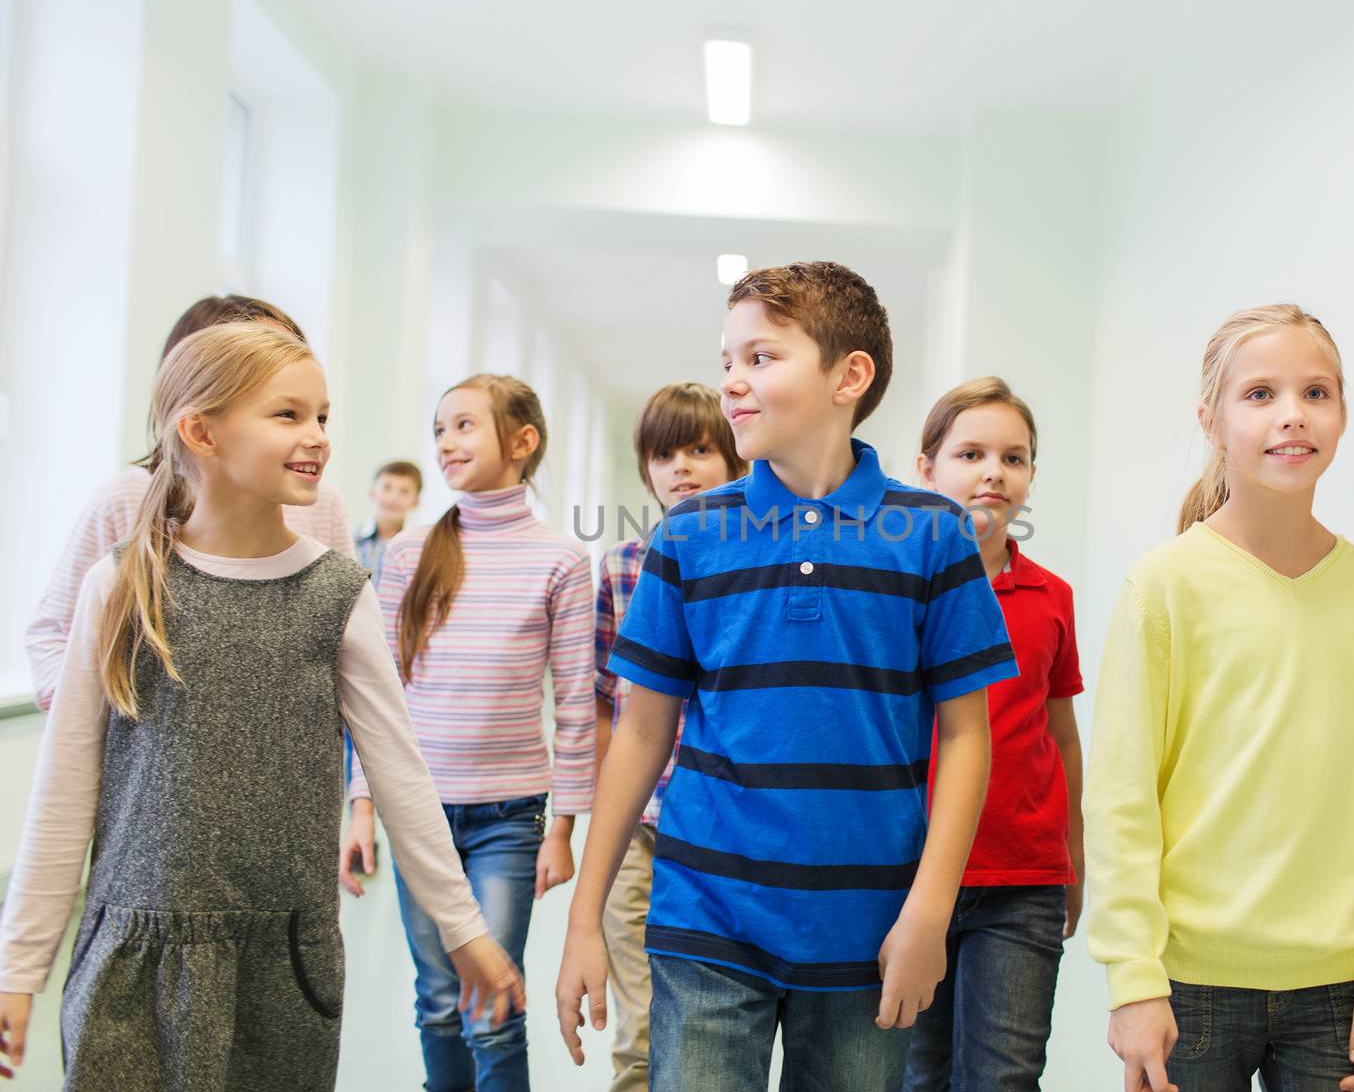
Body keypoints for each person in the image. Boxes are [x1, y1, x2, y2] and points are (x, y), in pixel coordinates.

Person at [0, 324, 523, 1090]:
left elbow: (401, 777)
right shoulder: (119, 586)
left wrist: (463, 925)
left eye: (322, 417)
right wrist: (20, 966)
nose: (317, 437)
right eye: (288, 415)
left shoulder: (336, 593)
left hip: (282, 967)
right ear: (201, 430)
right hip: (132, 960)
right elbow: (64, 788)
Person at [557, 261, 1016, 1091]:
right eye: (728, 359)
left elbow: (965, 734)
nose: (732, 381)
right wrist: (583, 917)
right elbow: (641, 734)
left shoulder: (933, 534)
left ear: (849, 375)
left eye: (761, 358)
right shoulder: (690, 535)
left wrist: (929, 910)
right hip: (706, 916)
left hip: (868, 926)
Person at [1085, 304, 1354, 1092]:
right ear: (1210, 418)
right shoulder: (1165, 584)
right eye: (1260, 394)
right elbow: (1121, 798)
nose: (1293, 415)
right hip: (1188, 989)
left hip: (1341, 994)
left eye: (1316, 392)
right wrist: (1133, 977)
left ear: (1346, 417)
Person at [341, 373, 595, 1092]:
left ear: (522, 442)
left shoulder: (560, 561)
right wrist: (361, 804)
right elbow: (376, 692)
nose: (447, 443)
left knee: (492, 1004)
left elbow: (576, 703)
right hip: (416, 812)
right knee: (440, 1002)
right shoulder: (410, 551)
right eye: (440, 429)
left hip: (510, 820)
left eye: (465, 426)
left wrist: (562, 828)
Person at [24, 294, 355, 713]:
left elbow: (343, 643)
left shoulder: (320, 503)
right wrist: (117, 728)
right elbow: (52, 633)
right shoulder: (123, 499)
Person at [903, 377, 1085, 1091]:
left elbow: (1062, 736)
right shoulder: (898, 593)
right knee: (916, 1075)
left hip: (1023, 881)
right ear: (927, 470)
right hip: (909, 877)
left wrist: (1073, 853)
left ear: (1031, 477)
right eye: (971, 453)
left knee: (1002, 1078)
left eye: (1014, 458)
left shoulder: (1052, 597)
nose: (992, 472)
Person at [594, 380, 746, 1092]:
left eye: (700, 448)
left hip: (720, 829)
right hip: (638, 826)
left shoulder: (756, 561)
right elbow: (606, 701)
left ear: (735, 457)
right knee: (637, 1030)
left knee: (711, 1030)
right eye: (664, 453)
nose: (680, 466)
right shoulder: (624, 566)